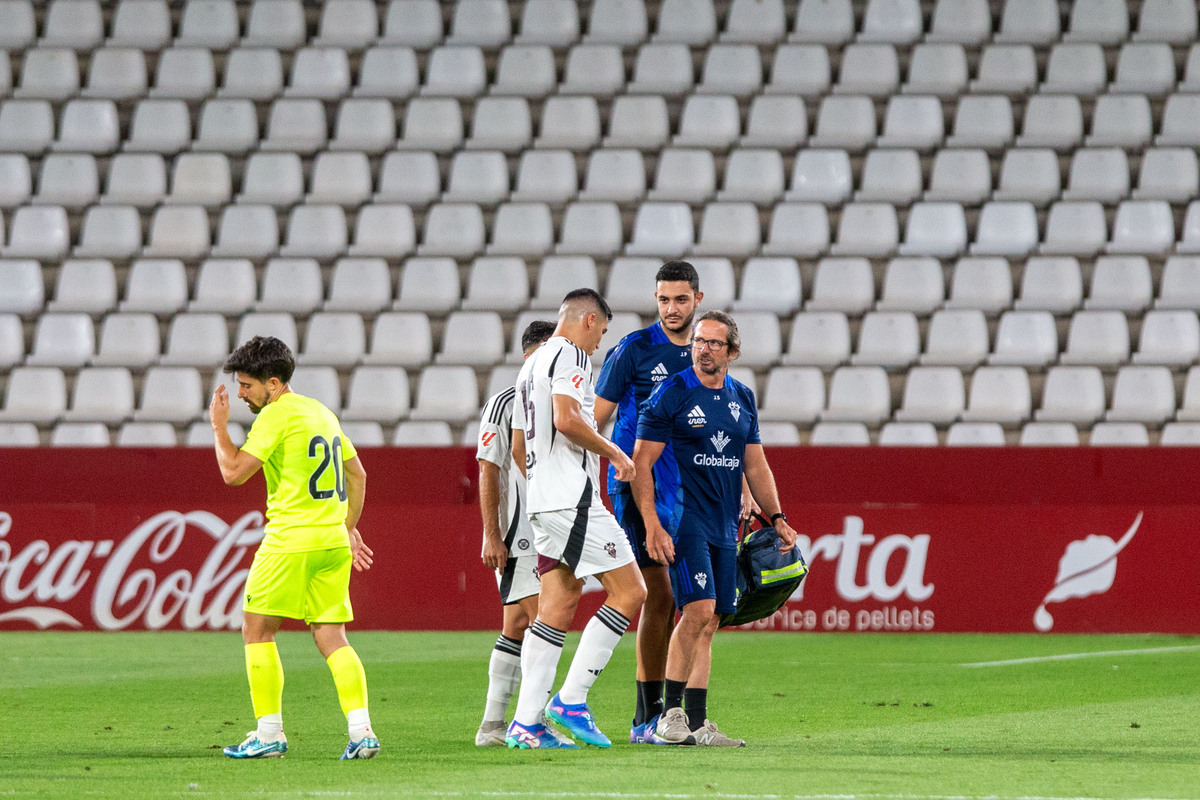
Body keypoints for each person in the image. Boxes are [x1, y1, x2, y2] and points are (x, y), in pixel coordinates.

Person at [632, 311, 797, 747]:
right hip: (683, 521)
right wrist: (651, 524)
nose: (702, 349)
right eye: (698, 342)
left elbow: (755, 463)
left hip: (726, 525)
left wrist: (776, 516)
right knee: (699, 611)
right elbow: (641, 464)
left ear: (733, 352)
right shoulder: (671, 392)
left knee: (712, 621)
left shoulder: (742, 396)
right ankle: (667, 718)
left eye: (713, 343)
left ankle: (699, 723)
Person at [209, 336, 379, 761]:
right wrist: (346, 527)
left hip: (290, 542)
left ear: (272, 382)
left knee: (257, 630)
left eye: (247, 385)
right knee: (331, 636)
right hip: (331, 543)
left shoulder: (274, 416)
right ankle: (362, 732)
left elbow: (232, 473)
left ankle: (269, 734)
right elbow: (357, 474)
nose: (241, 393)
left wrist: (218, 426)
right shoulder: (321, 411)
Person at [506, 288, 648, 749]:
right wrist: (614, 452)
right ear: (588, 320)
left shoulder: (532, 363)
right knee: (631, 591)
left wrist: (545, 486)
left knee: (558, 605)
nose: (599, 345)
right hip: (572, 498)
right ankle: (571, 699)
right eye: (602, 333)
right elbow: (566, 419)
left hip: (543, 501)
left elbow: (519, 445)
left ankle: (526, 723)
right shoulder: (570, 356)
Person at [593, 260, 702, 744]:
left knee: (692, 602)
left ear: (697, 299)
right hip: (640, 489)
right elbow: (593, 417)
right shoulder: (634, 350)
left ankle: (678, 715)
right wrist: (613, 461)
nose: (672, 308)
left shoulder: (705, 354)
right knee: (658, 594)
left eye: (680, 299)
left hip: (692, 490)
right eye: (664, 300)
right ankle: (647, 717)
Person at [474, 319, 556, 746]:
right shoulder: (505, 402)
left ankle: (492, 724)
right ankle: (534, 719)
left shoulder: (554, 400)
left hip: (546, 530)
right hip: (518, 534)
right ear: (530, 354)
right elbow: (488, 467)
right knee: (547, 620)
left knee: (518, 624)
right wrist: (492, 534)